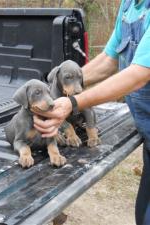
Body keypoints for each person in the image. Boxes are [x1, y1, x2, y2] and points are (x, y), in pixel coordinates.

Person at [32, 0, 150, 224]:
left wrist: (73, 102)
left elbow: (139, 74)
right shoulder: (129, 6)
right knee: (142, 214)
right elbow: (108, 60)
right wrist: (61, 86)